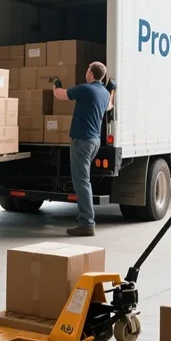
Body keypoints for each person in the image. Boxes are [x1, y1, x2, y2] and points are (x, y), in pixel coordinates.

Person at [53, 62, 113, 237]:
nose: (85, 72)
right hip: (94, 142)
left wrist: (56, 82)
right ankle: (86, 221)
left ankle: (87, 223)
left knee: (82, 182)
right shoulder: (104, 93)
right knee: (83, 181)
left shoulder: (85, 89)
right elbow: (110, 105)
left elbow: (59, 95)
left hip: (82, 142)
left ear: (91, 74)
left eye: (87, 70)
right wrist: (112, 89)